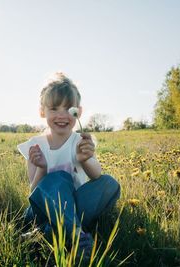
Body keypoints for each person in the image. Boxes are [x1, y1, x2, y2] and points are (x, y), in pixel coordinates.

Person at [17, 72, 120, 258]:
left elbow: (97, 175)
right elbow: (33, 192)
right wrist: (42, 168)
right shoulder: (36, 145)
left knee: (110, 184)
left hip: (74, 207)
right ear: (42, 111)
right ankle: (75, 236)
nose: (62, 115)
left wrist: (85, 159)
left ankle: (47, 233)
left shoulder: (79, 141)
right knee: (58, 178)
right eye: (54, 108)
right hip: (42, 211)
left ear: (78, 112)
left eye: (68, 109)